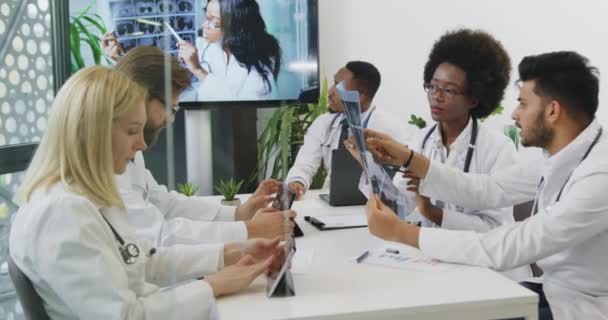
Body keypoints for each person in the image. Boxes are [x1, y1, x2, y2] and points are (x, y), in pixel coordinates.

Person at [10, 66, 282, 319]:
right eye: (132, 132)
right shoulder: (61, 213)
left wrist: (233, 253)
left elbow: (143, 260)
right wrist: (212, 286)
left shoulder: (88, 196)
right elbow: (126, 316)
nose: (141, 144)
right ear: (92, 131)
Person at [363, 51, 607, 320]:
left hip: (586, 305)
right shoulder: (561, 155)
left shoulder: (599, 177)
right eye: (432, 87)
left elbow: (515, 244)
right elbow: (489, 188)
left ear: (552, 111)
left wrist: (404, 233)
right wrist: (408, 158)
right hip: (553, 291)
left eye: (523, 104)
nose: (515, 114)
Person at [348, 29, 529, 280]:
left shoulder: (498, 148)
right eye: (432, 86)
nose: (436, 96)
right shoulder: (421, 140)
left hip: (493, 273)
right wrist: (367, 164)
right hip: (441, 264)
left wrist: (435, 213)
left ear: (474, 98)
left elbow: (498, 230)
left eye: (449, 90)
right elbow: (398, 205)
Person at [112, 46, 294, 246]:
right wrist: (247, 230)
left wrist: (238, 214)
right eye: (170, 108)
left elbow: (164, 203)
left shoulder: (130, 146)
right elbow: (157, 236)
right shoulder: (109, 154)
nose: (171, 119)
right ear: (142, 95)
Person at [286, 61, 410, 198]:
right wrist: (297, 181)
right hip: (330, 203)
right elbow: (304, 163)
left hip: (375, 205)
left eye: (338, 87)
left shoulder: (391, 129)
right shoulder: (324, 123)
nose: (330, 91)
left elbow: (403, 181)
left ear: (360, 96)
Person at [177, 0, 282, 101]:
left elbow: (243, 108)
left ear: (236, 25)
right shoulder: (209, 45)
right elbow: (200, 88)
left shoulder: (260, 61)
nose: (204, 25)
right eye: (207, 17)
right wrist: (187, 65)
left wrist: (199, 70)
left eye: (214, 21)